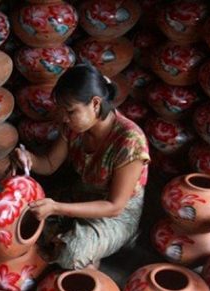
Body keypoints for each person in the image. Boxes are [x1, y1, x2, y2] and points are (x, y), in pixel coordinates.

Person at [12, 63, 150, 270]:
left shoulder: (129, 141)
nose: (64, 118)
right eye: (62, 111)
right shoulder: (75, 127)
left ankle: (105, 245)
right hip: (82, 195)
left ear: (95, 104)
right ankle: (85, 247)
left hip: (117, 215)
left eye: (70, 111)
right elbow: (49, 164)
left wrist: (57, 208)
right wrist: (28, 158)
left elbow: (114, 206)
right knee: (23, 219)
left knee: (71, 251)